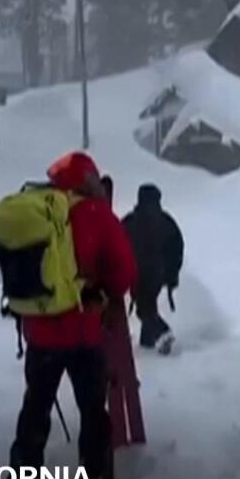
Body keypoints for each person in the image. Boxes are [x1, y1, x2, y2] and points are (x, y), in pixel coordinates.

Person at [8, 152, 137, 479]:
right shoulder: (97, 215)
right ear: (88, 181)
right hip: (84, 332)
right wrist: (107, 293)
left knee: (36, 404)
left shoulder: (36, 213)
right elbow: (124, 271)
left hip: (40, 332)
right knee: (93, 410)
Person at [100, 176, 146, 447]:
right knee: (122, 373)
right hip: (112, 306)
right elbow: (126, 268)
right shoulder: (111, 225)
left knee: (105, 375)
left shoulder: (72, 221)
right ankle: (131, 434)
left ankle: (116, 435)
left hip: (82, 308)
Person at [121, 184, 184, 355]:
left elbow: (116, 245)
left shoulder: (131, 221)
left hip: (136, 273)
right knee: (149, 305)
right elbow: (176, 249)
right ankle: (147, 343)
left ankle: (163, 333)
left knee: (144, 309)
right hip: (158, 273)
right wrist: (171, 275)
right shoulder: (166, 221)